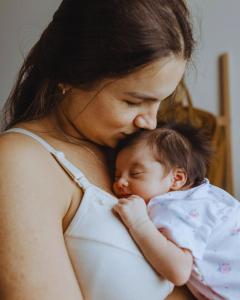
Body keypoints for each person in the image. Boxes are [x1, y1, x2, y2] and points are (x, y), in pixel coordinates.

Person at [0, 1, 195, 299]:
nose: (151, 122)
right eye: (133, 102)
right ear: (70, 74)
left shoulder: (128, 151)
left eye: (161, 101)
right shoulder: (19, 162)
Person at [113, 123, 240, 300]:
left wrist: (139, 223)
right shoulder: (206, 195)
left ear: (177, 179)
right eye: (117, 175)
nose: (120, 183)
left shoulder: (172, 206)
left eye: (135, 173)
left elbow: (179, 271)